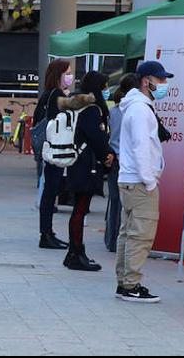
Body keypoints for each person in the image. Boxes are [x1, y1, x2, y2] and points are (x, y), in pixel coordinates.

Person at [114, 61, 171, 303]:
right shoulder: (140, 109)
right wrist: (149, 180)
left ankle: (126, 282)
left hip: (131, 180)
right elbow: (141, 147)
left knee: (128, 233)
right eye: (160, 80)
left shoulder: (136, 106)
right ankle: (131, 284)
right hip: (139, 181)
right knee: (140, 235)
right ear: (147, 81)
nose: (164, 85)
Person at [62, 90, 112, 272]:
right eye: (104, 86)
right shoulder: (91, 110)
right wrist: (107, 154)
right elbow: (96, 137)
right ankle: (76, 253)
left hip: (75, 162)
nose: (106, 91)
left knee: (78, 209)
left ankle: (73, 252)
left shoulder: (75, 107)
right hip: (86, 165)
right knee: (80, 209)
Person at [35, 58, 73, 250]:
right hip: (55, 149)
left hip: (47, 148)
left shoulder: (47, 94)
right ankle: (46, 234)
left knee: (49, 191)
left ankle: (48, 232)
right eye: (67, 73)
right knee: (50, 192)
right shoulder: (56, 94)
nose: (70, 76)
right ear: (59, 75)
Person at [104, 73, 138, 253]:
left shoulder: (113, 111)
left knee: (114, 201)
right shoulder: (133, 111)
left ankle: (110, 239)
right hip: (126, 161)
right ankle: (118, 241)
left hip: (114, 158)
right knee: (125, 204)